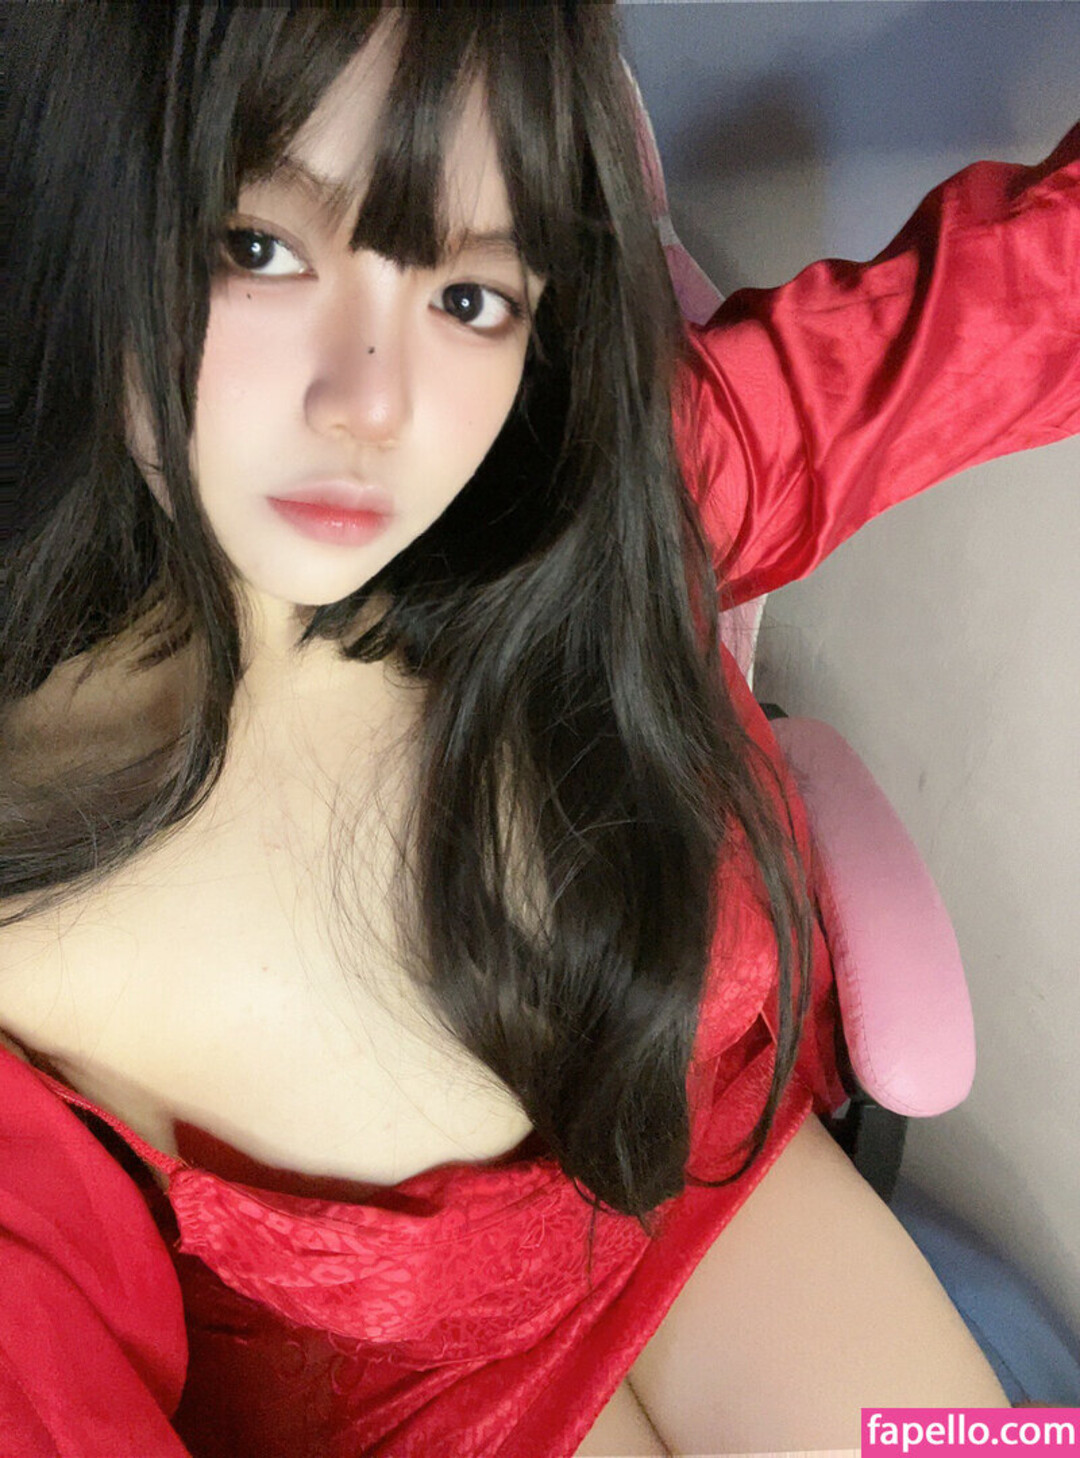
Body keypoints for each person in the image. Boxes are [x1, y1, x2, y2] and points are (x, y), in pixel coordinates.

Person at [1, 5, 1076, 1455]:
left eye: (468, 295)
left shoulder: (589, 519)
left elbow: (986, 319)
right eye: (259, 248)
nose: (374, 403)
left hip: (718, 1193)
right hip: (415, 1408)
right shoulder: (29, 898)